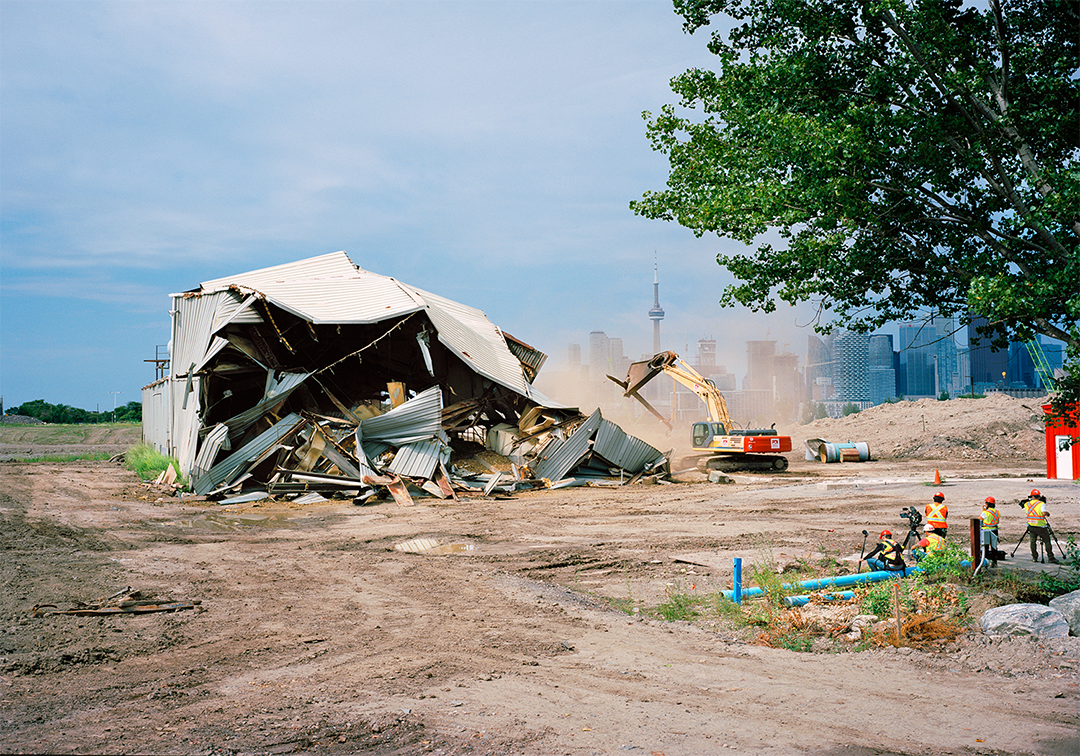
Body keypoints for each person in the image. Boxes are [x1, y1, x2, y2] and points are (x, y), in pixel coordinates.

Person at [1024, 489, 1057, 564]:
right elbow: (1043, 513)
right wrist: (1048, 513)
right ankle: (1050, 557)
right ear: (1039, 496)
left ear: (1032, 496)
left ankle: (1034, 557)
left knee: (1033, 541)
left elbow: (1027, 512)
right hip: (1041, 526)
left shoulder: (1027, 504)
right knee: (1047, 541)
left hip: (1031, 525)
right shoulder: (1041, 504)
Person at [980, 496, 1004, 566]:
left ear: (987, 504)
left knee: (985, 547)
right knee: (994, 547)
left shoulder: (985, 513)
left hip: (986, 531)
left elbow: (980, 519)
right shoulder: (997, 512)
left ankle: (985, 562)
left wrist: (983, 510)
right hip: (994, 530)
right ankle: (994, 562)